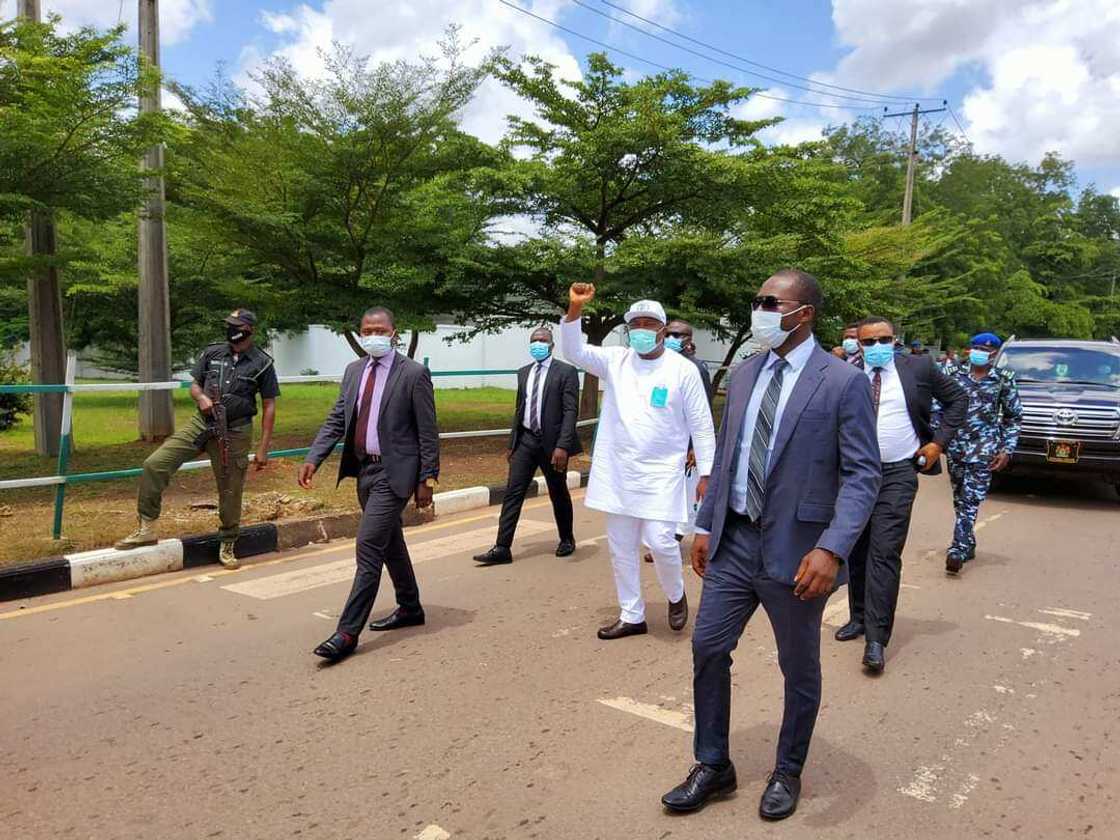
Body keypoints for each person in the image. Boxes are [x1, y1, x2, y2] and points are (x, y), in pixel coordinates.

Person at [661, 269, 880, 822]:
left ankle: (788, 769)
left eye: (767, 302)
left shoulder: (841, 382)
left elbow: (861, 475)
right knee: (708, 648)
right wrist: (705, 525)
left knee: (798, 668)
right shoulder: (745, 372)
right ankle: (713, 765)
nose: (757, 310)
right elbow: (729, 454)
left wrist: (832, 548)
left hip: (799, 552)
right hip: (735, 541)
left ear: (802, 312)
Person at [557, 284, 715, 640]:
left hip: (661, 473)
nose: (642, 330)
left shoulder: (682, 370)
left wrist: (707, 472)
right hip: (618, 471)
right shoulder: (616, 360)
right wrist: (575, 309)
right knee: (622, 547)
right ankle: (632, 615)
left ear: (662, 328)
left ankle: (675, 595)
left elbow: (702, 424)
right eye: (636, 325)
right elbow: (572, 349)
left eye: (649, 324)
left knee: (661, 541)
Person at [299, 307, 440, 662]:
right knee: (390, 542)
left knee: (368, 546)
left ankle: (347, 632)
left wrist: (428, 478)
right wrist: (314, 457)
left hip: (396, 474)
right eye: (367, 329)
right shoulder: (353, 371)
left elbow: (427, 431)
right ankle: (410, 606)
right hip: (364, 471)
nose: (373, 334)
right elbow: (337, 419)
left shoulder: (414, 374)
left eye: (379, 329)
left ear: (394, 332)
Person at [833, 316, 967, 673]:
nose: (877, 347)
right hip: (854, 476)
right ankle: (858, 617)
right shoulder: (844, 373)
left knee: (884, 552)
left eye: (885, 339)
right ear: (857, 344)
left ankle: (877, 638)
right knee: (855, 549)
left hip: (898, 473)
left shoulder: (918, 367)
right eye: (869, 342)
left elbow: (958, 399)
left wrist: (938, 443)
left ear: (895, 340)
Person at [114, 309, 279, 569]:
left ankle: (227, 540)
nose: (230, 330)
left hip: (234, 431)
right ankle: (146, 528)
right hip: (201, 423)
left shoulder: (262, 363)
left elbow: (269, 405)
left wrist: (263, 449)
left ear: (249, 329)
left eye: (236, 325)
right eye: (228, 325)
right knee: (155, 464)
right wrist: (201, 398)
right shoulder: (212, 352)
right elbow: (194, 385)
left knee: (230, 489)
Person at [474, 327, 582, 566]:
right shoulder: (524, 373)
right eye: (534, 341)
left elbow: (570, 410)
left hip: (553, 445)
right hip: (526, 441)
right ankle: (502, 547)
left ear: (552, 345)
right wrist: (512, 443)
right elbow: (519, 410)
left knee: (558, 491)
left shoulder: (566, 372)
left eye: (543, 341)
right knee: (513, 492)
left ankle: (566, 538)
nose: (538, 344)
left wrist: (563, 446)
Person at [941, 332, 1022, 575]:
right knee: (959, 498)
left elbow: (1013, 417)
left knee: (970, 499)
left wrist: (1007, 448)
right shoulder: (953, 376)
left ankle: (957, 549)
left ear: (995, 354)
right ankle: (968, 543)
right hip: (956, 446)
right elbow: (938, 408)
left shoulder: (1003, 380)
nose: (979, 352)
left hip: (984, 448)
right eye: (976, 347)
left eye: (986, 349)